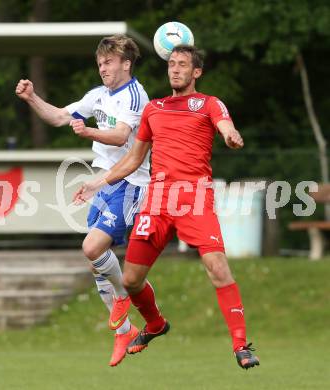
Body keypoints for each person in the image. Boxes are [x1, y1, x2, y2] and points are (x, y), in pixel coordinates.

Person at [74, 45, 260, 370]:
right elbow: (134, 158)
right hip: (157, 201)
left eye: (182, 65)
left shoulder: (208, 104)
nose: (174, 69)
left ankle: (241, 345)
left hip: (194, 198)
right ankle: (156, 324)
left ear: (196, 72)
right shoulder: (154, 109)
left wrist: (231, 135)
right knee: (131, 281)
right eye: (171, 64)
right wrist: (98, 183)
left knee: (217, 267)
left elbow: (225, 125)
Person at [15, 35, 150, 366]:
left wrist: (89, 132)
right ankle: (125, 331)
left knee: (92, 248)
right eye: (100, 63)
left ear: (126, 64)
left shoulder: (135, 95)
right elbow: (61, 116)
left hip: (130, 181)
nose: (103, 68)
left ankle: (123, 298)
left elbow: (120, 136)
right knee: (96, 259)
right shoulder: (98, 96)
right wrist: (32, 98)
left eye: (109, 62)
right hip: (105, 181)